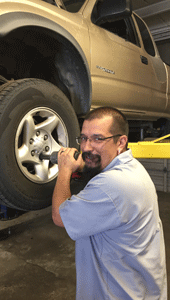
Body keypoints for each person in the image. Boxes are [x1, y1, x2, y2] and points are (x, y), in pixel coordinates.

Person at [52, 106, 167, 300]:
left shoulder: (111, 185)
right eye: (84, 138)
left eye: (98, 138)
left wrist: (64, 170)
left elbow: (59, 216)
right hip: (140, 288)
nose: (87, 147)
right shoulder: (131, 167)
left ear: (120, 141)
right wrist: (86, 163)